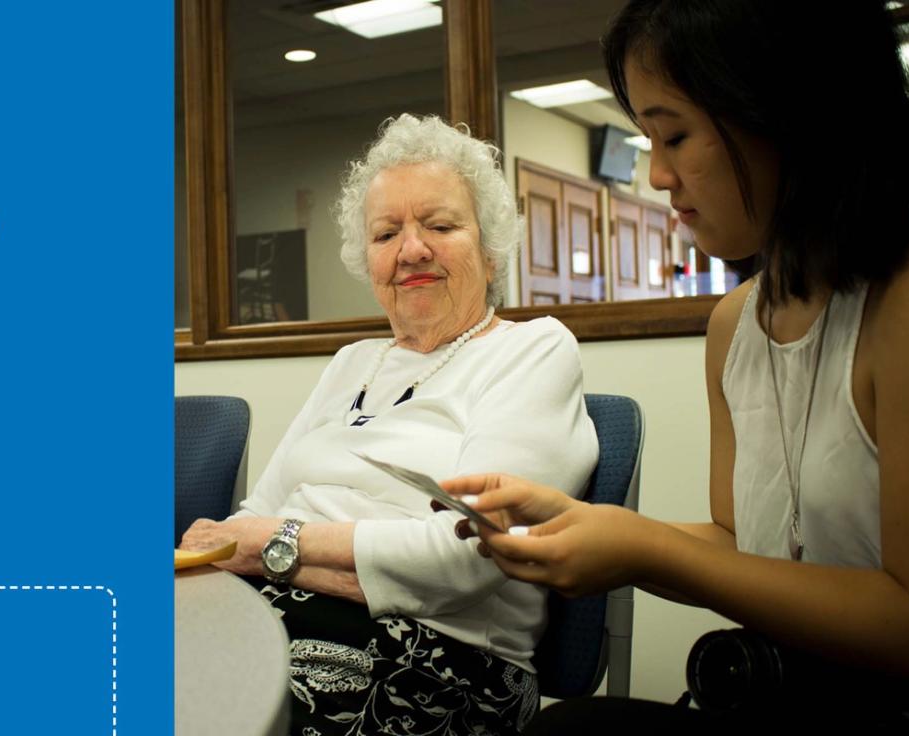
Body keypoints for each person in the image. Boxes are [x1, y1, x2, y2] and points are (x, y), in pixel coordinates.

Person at [442, 0, 909, 731]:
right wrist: (593, 525)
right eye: (646, 140)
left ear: (788, 114)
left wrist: (647, 549)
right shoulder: (737, 326)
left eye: (675, 135)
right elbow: (741, 543)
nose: (657, 175)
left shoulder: (904, 306)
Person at [179, 113, 599, 735]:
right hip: (277, 616)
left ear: (489, 245)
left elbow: (466, 557)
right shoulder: (353, 362)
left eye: (440, 225)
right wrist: (266, 546)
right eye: (386, 234)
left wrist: (275, 546)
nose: (412, 250)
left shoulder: (532, 351)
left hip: (442, 660)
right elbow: (251, 515)